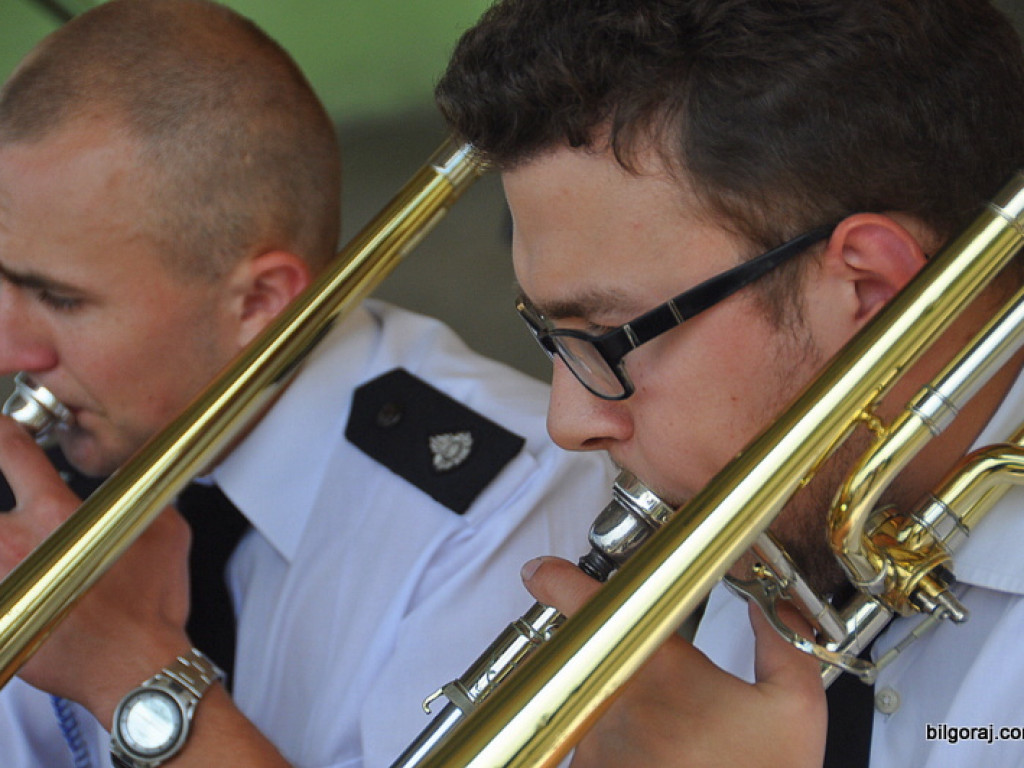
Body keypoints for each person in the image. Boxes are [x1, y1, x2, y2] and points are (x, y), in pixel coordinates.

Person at [0, 1, 617, 767]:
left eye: (61, 301)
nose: (7, 349)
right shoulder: (76, 442)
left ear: (259, 304)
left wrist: (128, 668)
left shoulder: (508, 497)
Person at [435, 0, 1024, 766]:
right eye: (552, 336)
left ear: (872, 293)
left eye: (612, 337)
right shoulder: (784, 523)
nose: (568, 422)